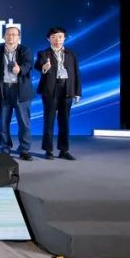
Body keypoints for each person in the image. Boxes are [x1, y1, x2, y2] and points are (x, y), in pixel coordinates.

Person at [37, 26, 81, 160]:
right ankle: (48, 150)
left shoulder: (71, 54)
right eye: (54, 37)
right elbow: (38, 65)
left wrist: (77, 92)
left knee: (65, 122)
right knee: (49, 121)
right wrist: (44, 67)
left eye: (60, 37)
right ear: (48, 39)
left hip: (67, 89)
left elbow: (76, 73)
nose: (57, 40)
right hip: (50, 90)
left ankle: (64, 150)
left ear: (64, 38)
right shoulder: (44, 53)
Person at [0, 26, 34, 161]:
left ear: (18, 37)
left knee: (24, 123)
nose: (11, 37)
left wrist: (19, 69)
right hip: (3, 90)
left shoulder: (25, 50)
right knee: (3, 122)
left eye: (14, 34)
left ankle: (24, 150)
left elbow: (28, 64)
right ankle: (5, 148)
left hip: (20, 90)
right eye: (8, 34)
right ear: (4, 36)